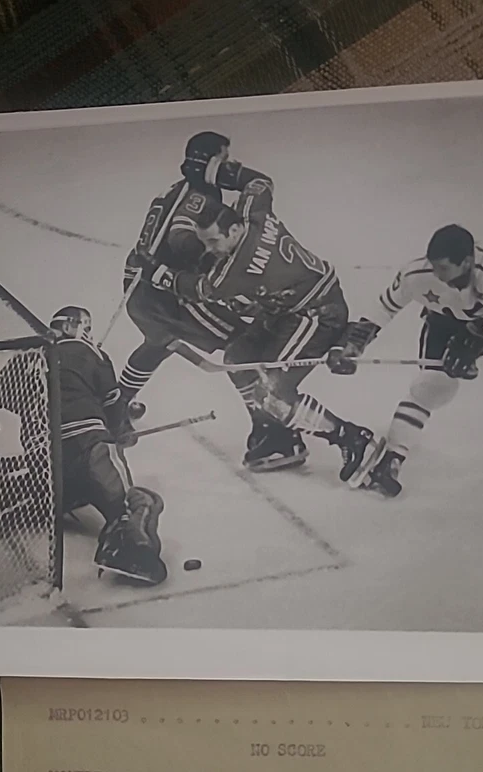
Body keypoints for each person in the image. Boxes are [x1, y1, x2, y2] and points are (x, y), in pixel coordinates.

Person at [137, 179, 381, 482]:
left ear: (235, 231)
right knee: (238, 357)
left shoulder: (235, 269)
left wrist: (160, 274)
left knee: (273, 391)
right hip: (287, 309)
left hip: (315, 315)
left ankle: (350, 436)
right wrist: (223, 172)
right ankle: (275, 432)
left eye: (213, 242)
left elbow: (202, 289)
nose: (210, 250)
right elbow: (259, 184)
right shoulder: (255, 213)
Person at [327, 223, 483, 496]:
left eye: (443, 268)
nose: (436, 274)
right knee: (431, 386)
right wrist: (353, 346)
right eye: (433, 266)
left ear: (467, 262)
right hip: (446, 319)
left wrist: (474, 344)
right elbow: (384, 307)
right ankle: (392, 458)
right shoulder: (416, 274)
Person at [116, 132, 275, 423]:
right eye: (224, 158)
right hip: (167, 294)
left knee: (159, 341)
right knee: (240, 343)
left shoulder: (174, 190)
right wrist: (214, 260)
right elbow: (180, 239)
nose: (230, 165)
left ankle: (116, 403)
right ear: (208, 161)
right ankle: (266, 428)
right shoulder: (202, 195)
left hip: (139, 288)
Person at [50, 306, 167, 584]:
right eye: (85, 327)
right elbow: (113, 405)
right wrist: (121, 430)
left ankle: (19, 498)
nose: (88, 333)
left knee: (68, 489)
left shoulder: (27, 356)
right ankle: (128, 548)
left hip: (44, 456)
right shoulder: (92, 354)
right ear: (69, 327)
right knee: (140, 500)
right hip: (88, 442)